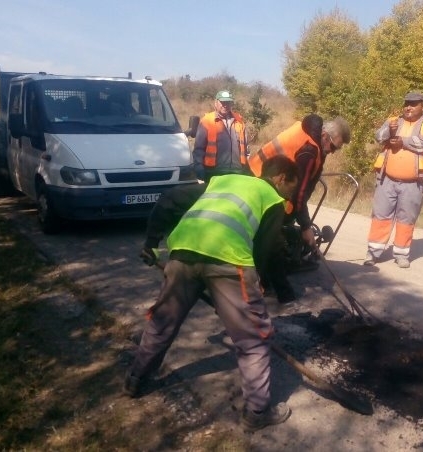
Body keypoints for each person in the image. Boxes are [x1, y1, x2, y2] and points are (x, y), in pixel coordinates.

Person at [126, 155, 299, 432]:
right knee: (253, 340)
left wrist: (150, 243)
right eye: (293, 185)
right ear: (281, 178)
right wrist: (254, 294)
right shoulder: (272, 198)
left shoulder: (220, 181)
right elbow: (264, 252)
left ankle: (135, 379)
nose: (292, 192)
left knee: (163, 323)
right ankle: (257, 412)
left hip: (182, 253)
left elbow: (169, 199)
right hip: (229, 261)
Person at [247, 114, 350, 299]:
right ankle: (262, 287)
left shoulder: (312, 139)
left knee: (271, 237)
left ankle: (274, 287)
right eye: (334, 146)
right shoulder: (310, 150)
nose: (333, 151)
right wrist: (305, 226)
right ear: (325, 136)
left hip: (262, 178)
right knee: (270, 239)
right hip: (261, 182)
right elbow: (298, 191)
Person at [364, 91, 423, 268]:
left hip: (413, 183)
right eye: (407, 103)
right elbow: (378, 136)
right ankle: (373, 252)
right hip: (386, 180)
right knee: (380, 216)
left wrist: (403, 142)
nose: (409, 107)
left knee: (406, 219)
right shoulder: (394, 120)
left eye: (414, 104)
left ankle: (401, 254)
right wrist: (389, 133)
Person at [192, 90, 248, 182]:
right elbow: (199, 149)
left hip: (237, 172)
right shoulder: (207, 121)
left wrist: (246, 168)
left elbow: (246, 148)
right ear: (216, 103)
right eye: (222, 102)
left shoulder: (239, 121)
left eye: (228, 102)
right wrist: (199, 167)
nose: (225, 105)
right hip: (214, 172)